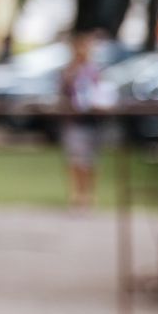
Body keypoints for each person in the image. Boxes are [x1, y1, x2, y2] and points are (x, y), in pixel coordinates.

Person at [59, 30, 102, 210]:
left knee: (89, 161)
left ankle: (88, 195)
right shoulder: (69, 71)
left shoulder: (94, 71)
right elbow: (63, 92)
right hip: (74, 121)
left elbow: (102, 92)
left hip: (90, 120)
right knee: (75, 160)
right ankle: (76, 194)